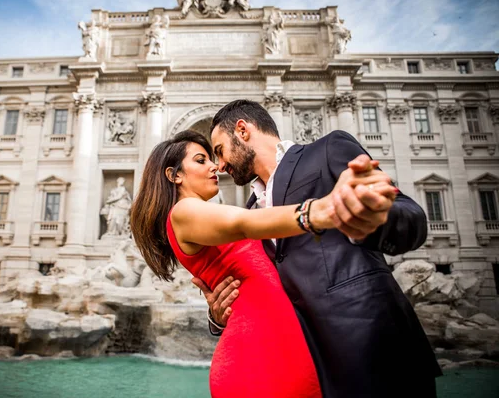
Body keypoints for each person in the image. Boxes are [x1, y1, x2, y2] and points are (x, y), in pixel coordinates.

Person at [195, 100, 442, 398]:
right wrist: (221, 315)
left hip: (375, 352)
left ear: (243, 130)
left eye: (220, 151)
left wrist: (377, 217)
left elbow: (411, 216)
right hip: (308, 373)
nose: (220, 166)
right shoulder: (250, 214)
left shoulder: (326, 151)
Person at [131, 130, 396, 398]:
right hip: (260, 354)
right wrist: (324, 210)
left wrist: (217, 316)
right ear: (174, 175)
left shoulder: (195, 215)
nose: (215, 166)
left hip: (276, 343)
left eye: (214, 157)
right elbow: (243, 224)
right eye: (201, 160)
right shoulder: (184, 211)